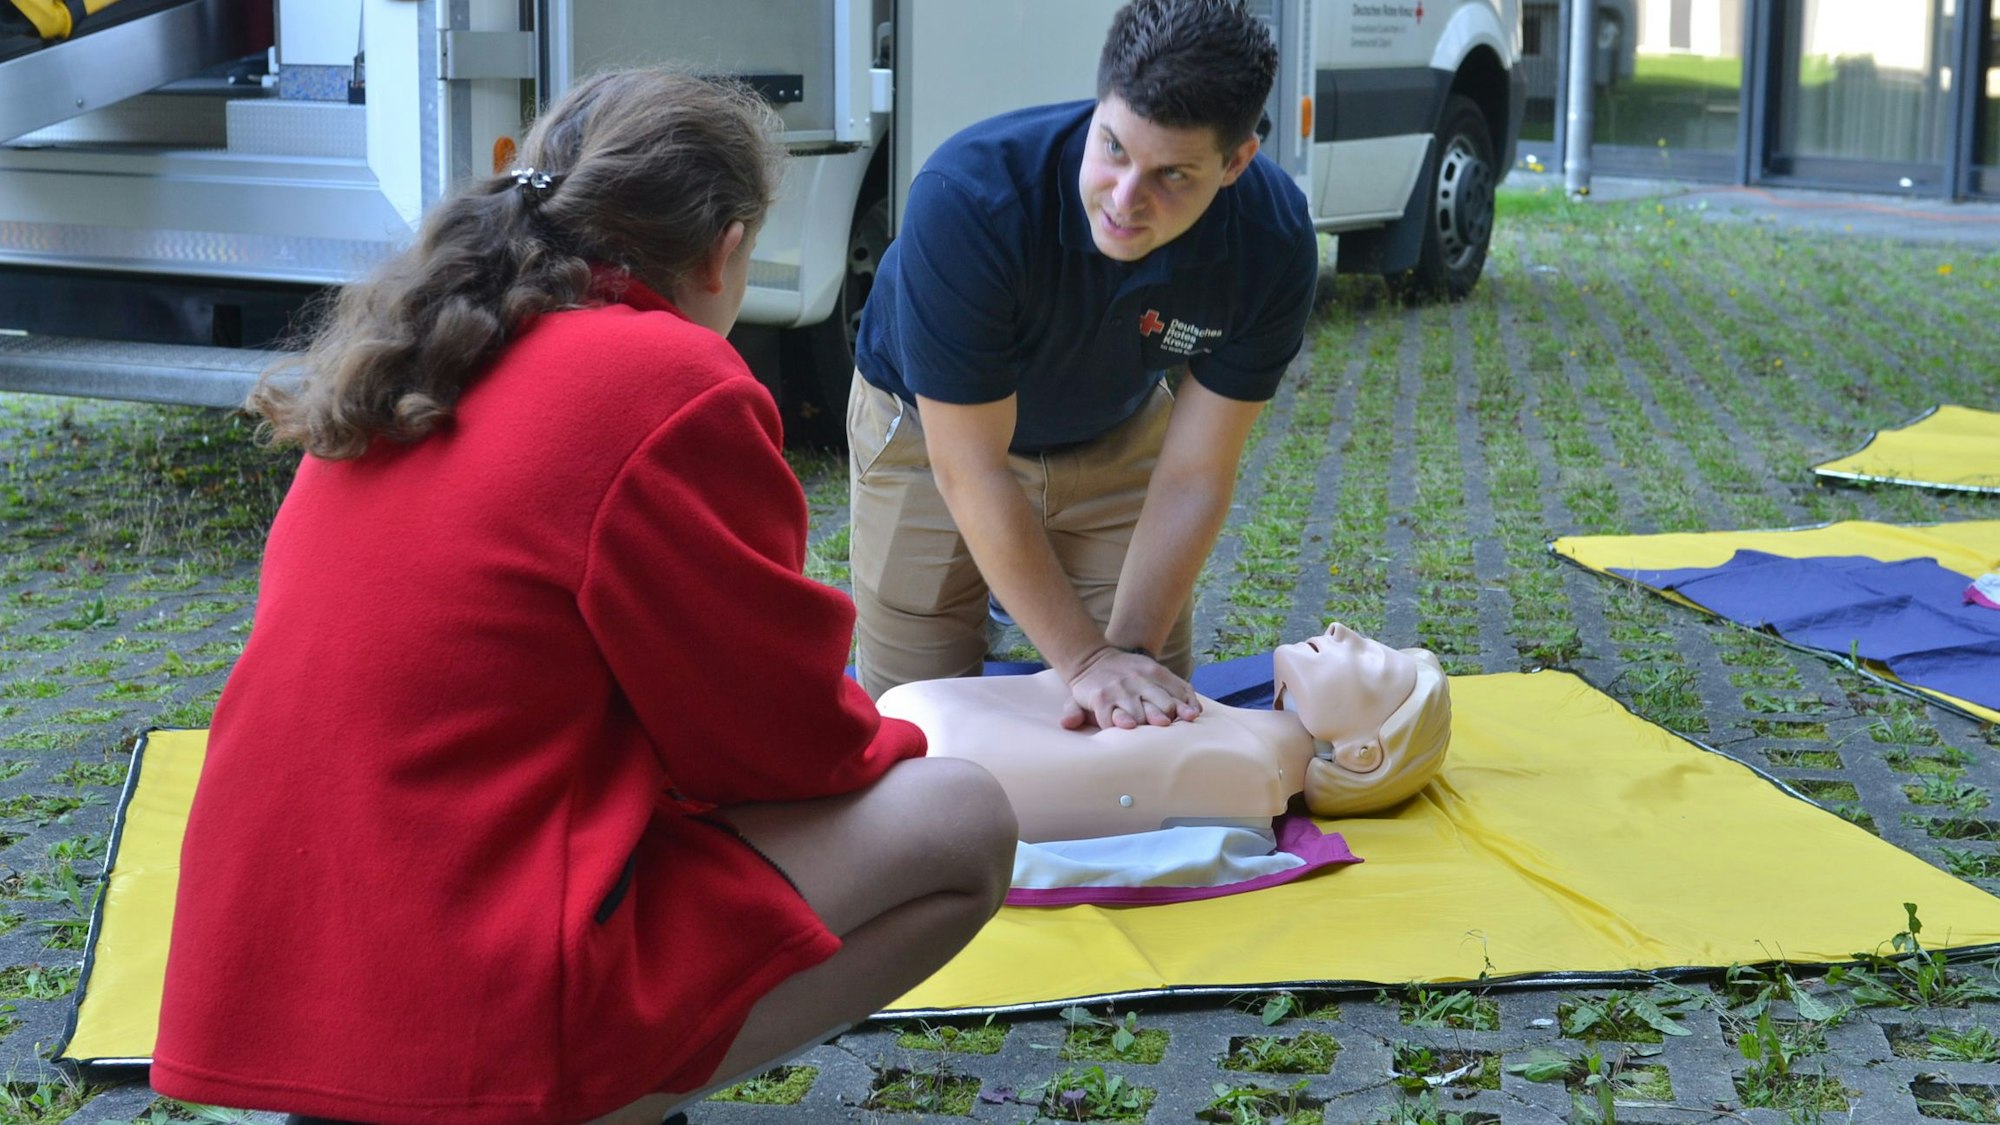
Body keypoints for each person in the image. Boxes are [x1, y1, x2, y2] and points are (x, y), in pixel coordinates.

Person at [149, 70, 1018, 1125]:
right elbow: (773, 744)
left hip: (274, 989)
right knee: (961, 822)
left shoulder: (419, 353)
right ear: (728, 248)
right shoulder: (670, 380)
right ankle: (586, 1104)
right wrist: (911, 737)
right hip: (463, 1000)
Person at [848, 0, 1318, 733]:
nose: (1125, 201)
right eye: (1115, 149)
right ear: (1099, 105)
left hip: (1117, 435)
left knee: (1144, 722)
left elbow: (1196, 471)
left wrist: (1122, 662)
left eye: (1173, 175)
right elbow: (969, 468)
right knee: (913, 728)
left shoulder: (1273, 242)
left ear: (1235, 164)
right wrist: (1084, 660)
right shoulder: (969, 200)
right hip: (929, 437)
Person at [878, 623, 1452, 844]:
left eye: (1374, 661)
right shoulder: (1234, 734)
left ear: (1361, 754)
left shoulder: (1242, 775)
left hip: (930, 773)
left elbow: (979, 796)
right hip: (919, 742)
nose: (1340, 628)